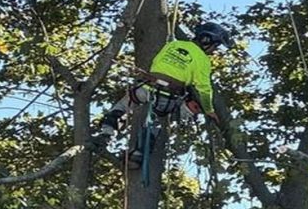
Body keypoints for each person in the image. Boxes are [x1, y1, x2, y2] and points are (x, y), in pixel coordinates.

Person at [91, 22, 234, 166]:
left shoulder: (172, 45)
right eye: (215, 45)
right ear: (206, 40)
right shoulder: (203, 60)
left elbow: (157, 62)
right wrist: (209, 110)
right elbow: (204, 89)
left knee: (122, 107)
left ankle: (107, 134)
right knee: (156, 122)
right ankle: (138, 155)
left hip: (146, 87)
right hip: (167, 96)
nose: (214, 50)